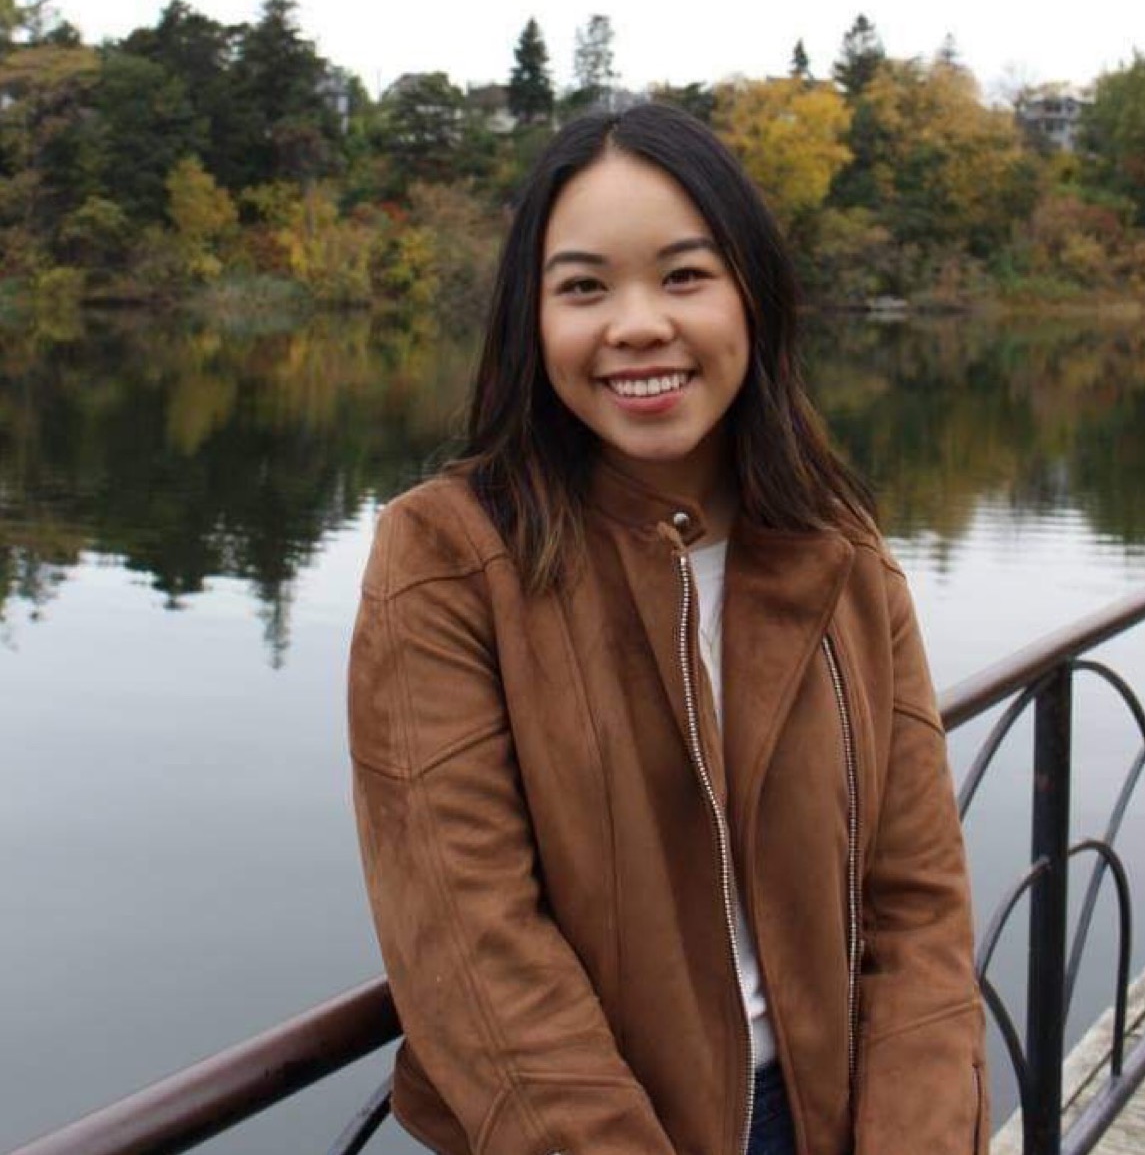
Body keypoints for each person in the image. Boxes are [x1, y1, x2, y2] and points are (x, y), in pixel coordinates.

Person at [348, 101, 988, 1155]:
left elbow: (918, 912)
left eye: (684, 275)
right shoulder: (449, 560)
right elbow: (474, 953)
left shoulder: (845, 561)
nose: (637, 323)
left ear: (753, 298)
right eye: (585, 287)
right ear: (532, 320)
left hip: (832, 1117)